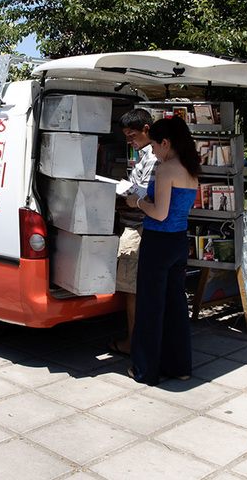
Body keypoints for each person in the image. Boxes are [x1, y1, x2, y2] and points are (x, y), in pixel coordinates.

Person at [125, 116, 201, 384]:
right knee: (176, 306)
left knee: (150, 307)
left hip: (159, 241)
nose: (153, 152)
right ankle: (180, 366)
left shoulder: (166, 169)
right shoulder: (191, 169)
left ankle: (146, 370)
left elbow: (159, 213)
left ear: (165, 142)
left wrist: (138, 203)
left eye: (155, 146)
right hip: (180, 240)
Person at [107, 109, 157, 356]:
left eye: (132, 135)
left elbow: (146, 193)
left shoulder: (153, 157)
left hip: (138, 227)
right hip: (135, 224)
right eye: (126, 136)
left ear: (147, 130)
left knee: (132, 290)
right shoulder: (144, 154)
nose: (129, 141)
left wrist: (127, 196)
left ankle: (133, 342)